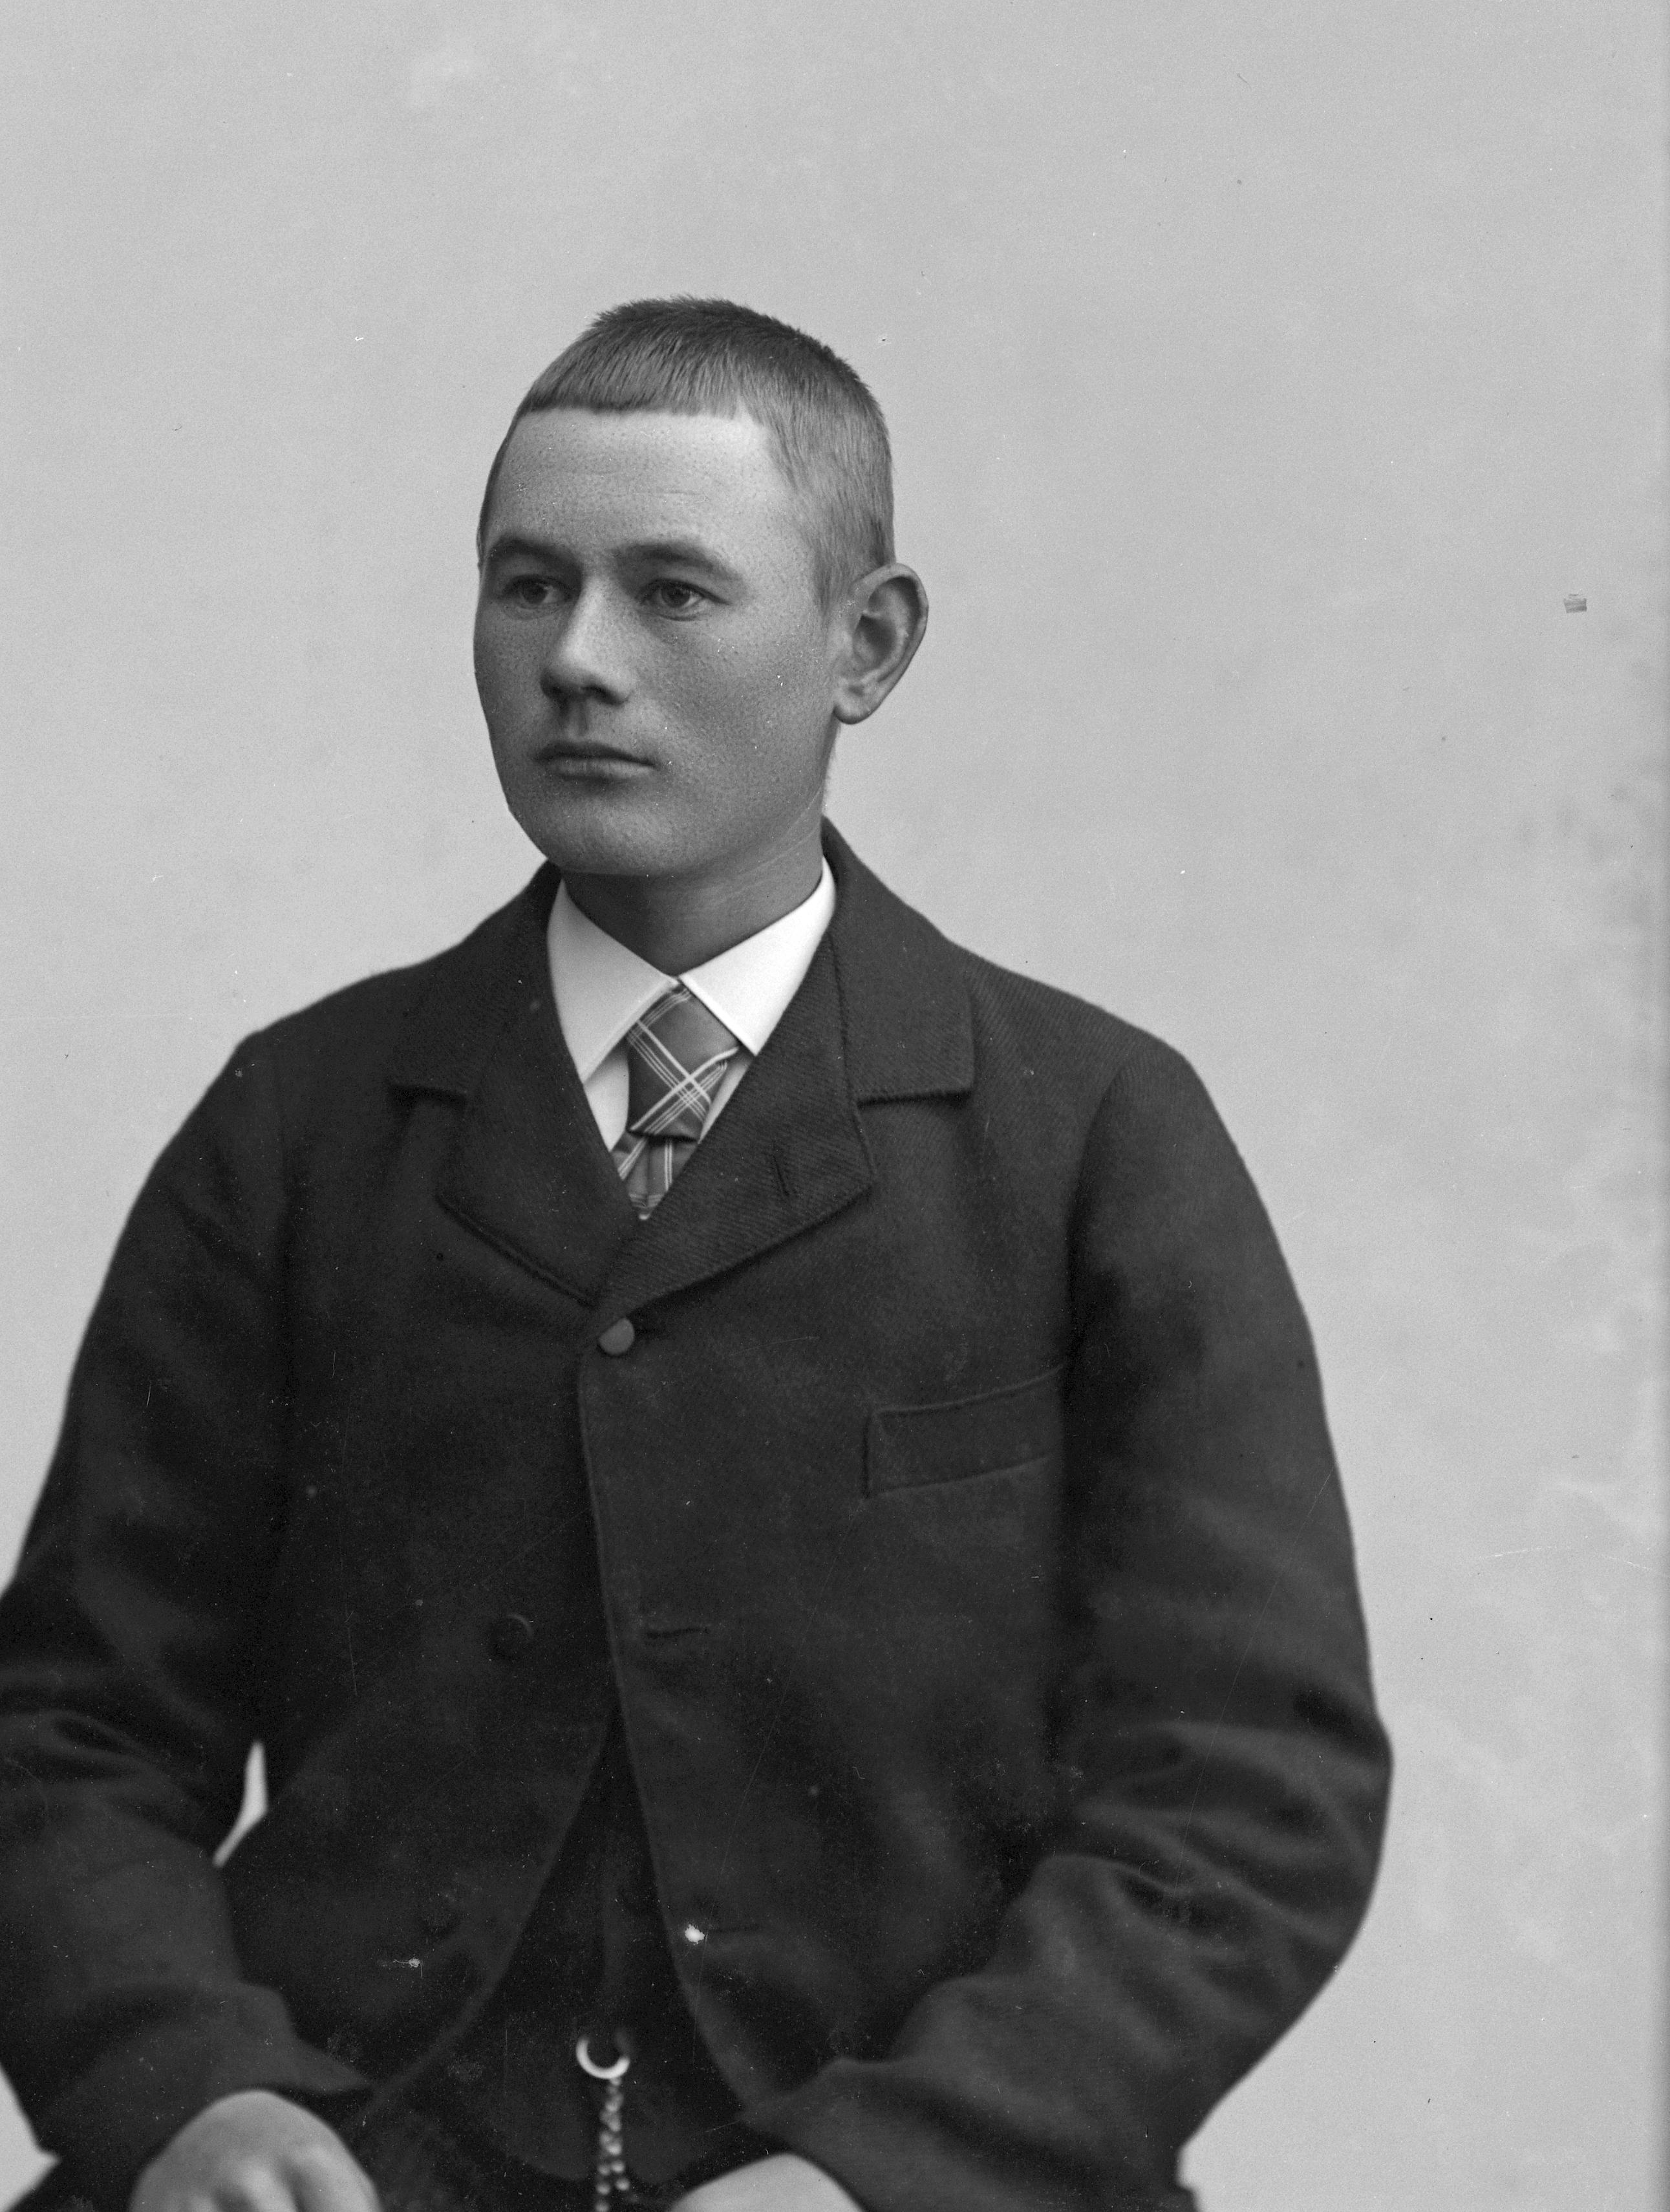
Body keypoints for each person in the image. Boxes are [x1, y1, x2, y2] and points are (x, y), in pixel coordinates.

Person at [0, 300, 1390, 2212]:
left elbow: (1246, 1792)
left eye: (671, 592)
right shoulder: (301, 1124)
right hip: (341, 2158)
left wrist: (889, 2174)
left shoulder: (1095, 1134)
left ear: (867, 646)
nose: (577, 660)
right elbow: (72, 1732)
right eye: (527, 586)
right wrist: (190, 2096)